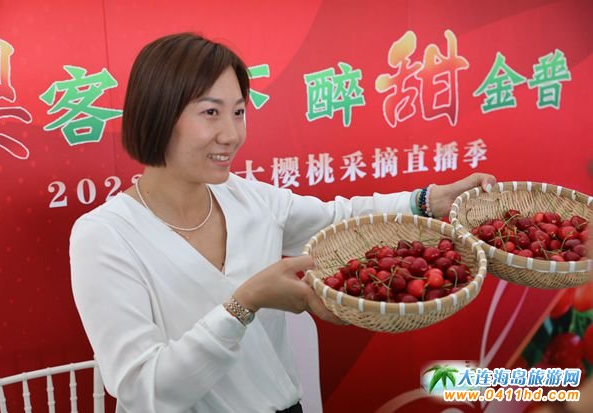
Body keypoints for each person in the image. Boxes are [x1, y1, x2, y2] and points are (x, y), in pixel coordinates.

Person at [69, 32, 496, 413]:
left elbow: (340, 220)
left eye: (239, 112)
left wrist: (428, 201)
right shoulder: (104, 236)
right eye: (211, 113)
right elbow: (144, 391)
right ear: (158, 113)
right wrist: (244, 303)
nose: (231, 135)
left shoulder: (248, 198)